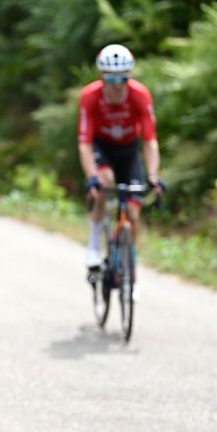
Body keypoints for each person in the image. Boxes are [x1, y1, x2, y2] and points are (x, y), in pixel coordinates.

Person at [78, 44, 164, 291]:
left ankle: (128, 265)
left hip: (128, 150)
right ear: (101, 77)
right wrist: (91, 177)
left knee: (134, 215)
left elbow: (150, 140)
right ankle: (94, 247)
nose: (118, 84)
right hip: (101, 147)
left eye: (123, 77)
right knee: (104, 182)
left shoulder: (139, 95)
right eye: (112, 78)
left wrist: (153, 175)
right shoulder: (90, 96)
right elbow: (84, 143)